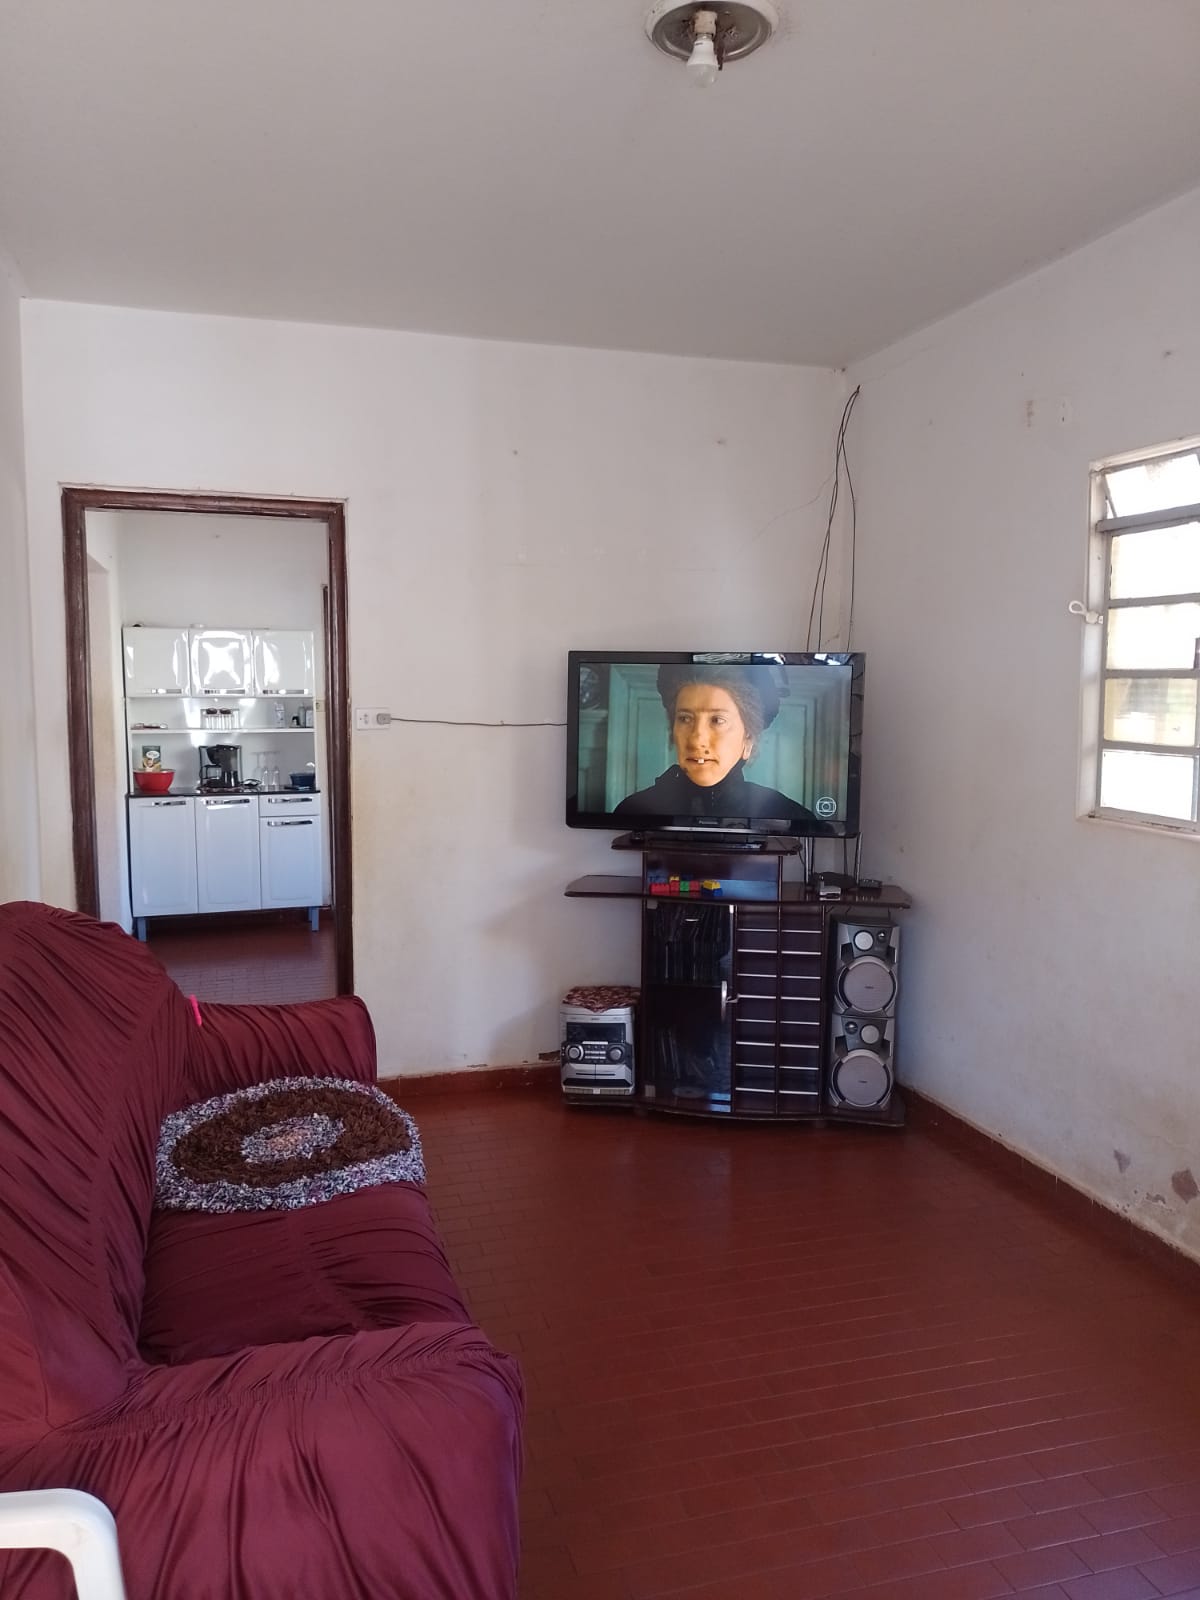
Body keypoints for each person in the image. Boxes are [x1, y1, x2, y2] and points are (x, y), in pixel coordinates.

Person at [613, 664, 827, 826]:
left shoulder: (788, 817)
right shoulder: (634, 812)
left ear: (748, 738)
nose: (696, 739)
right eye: (685, 719)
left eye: (717, 720)